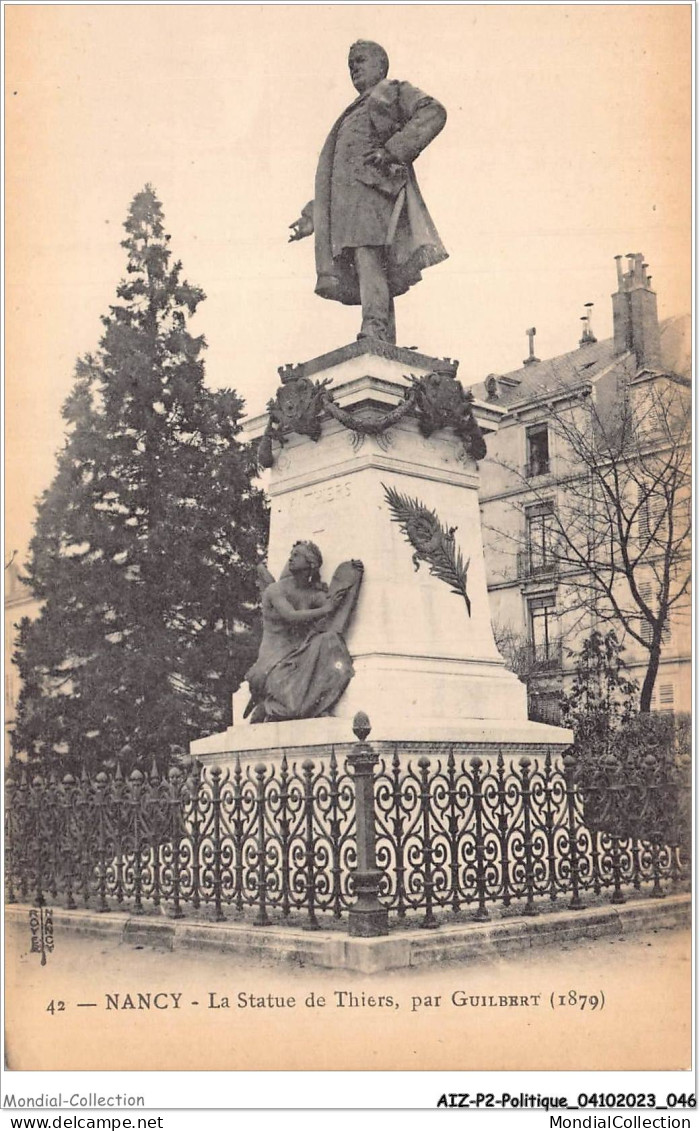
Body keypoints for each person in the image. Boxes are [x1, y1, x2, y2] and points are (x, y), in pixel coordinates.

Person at [289, 40, 447, 344]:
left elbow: (433, 112)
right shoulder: (349, 113)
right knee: (368, 265)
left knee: (369, 257)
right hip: (351, 205)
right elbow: (336, 176)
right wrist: (312, 217)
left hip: (377, 195)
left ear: (381, 64)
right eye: (350, 65)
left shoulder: (393, 91)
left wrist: (393, 150)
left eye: (360, 61)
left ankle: (375, 327)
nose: (354, 68)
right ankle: (383, 336)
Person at [244, 542, 364, 723]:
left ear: (311, 564)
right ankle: (267, 707)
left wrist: (351, 579)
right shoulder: (275, 590)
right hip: (273, 663)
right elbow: (291, 616)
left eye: (297, 555)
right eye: (291, 554)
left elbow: (336, 608)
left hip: (299, 657)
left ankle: (309, 705)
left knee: (329, 641)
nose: (291, 558)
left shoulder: (313, 594)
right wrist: (327, 609)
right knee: (293, 702)